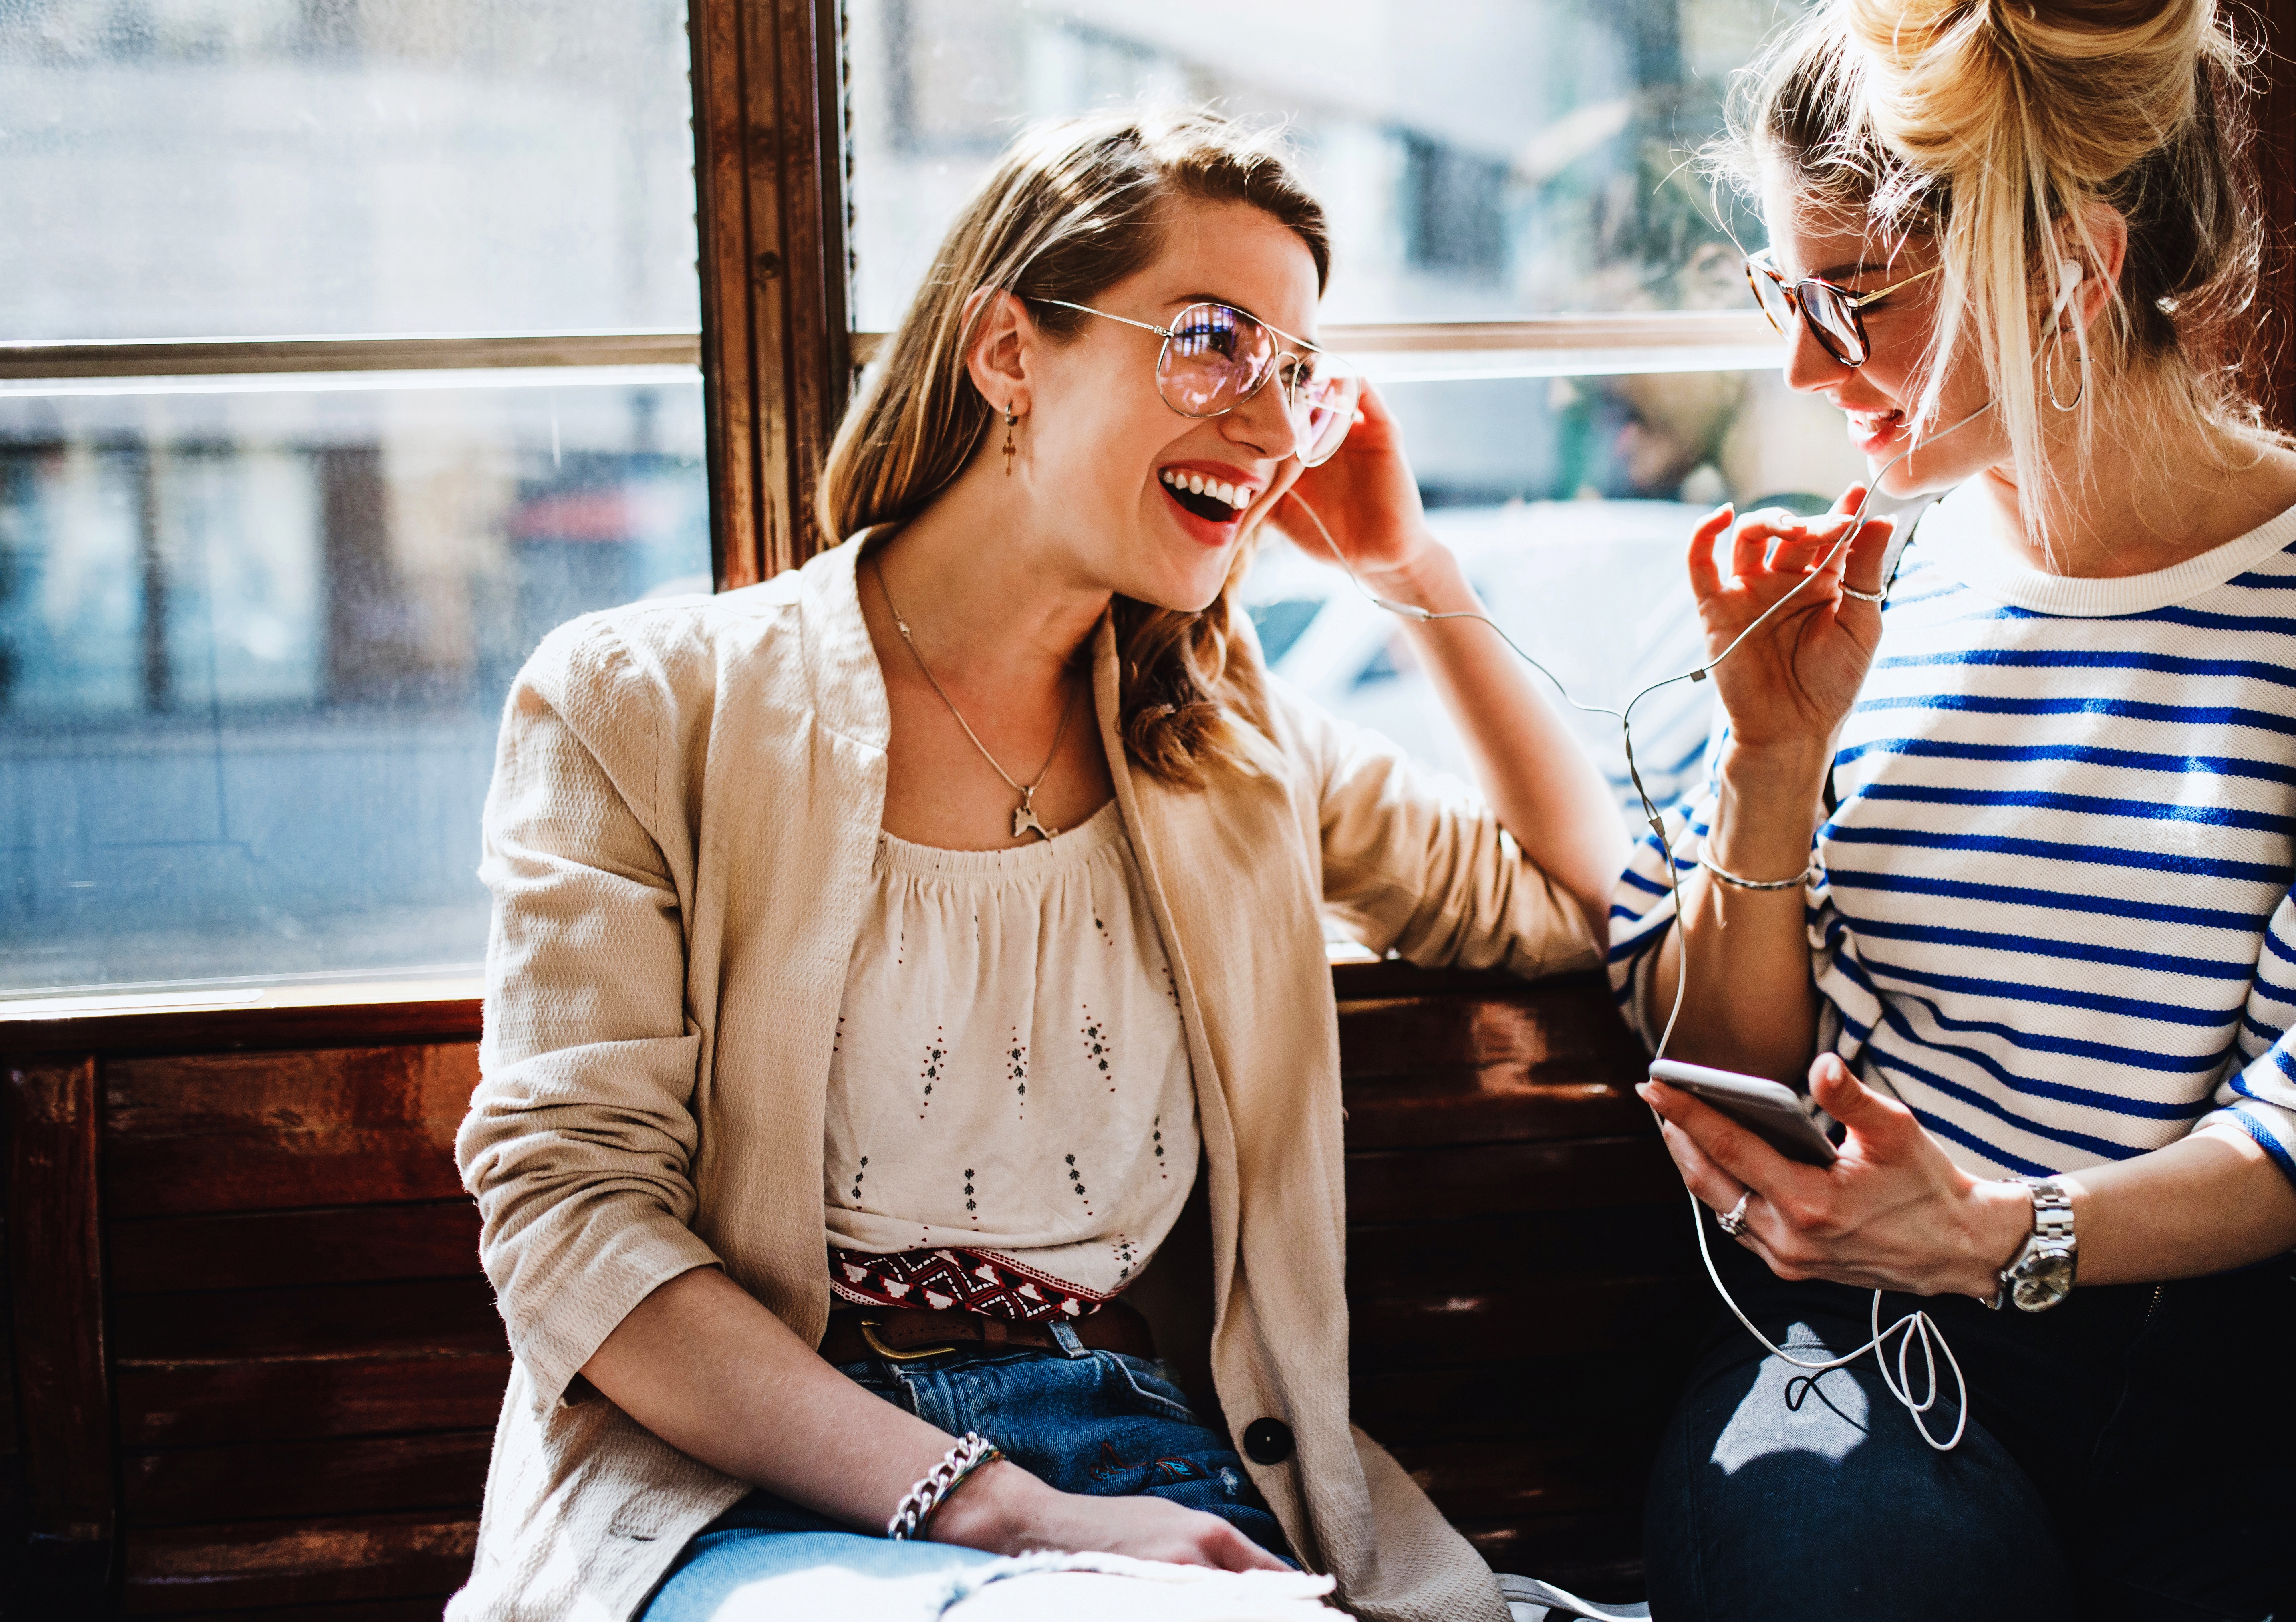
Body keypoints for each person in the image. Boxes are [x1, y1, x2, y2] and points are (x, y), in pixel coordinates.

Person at [449, 108, 1629, 1622]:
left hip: (1146, 1474)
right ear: (1009, 353)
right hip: (744, 1492)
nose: (1271, 433)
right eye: (1213, 342)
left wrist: (1415, 573)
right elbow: (569, 1219)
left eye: (1298, 376)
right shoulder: (642, 701)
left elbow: (1578, 903)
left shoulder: (1225, 746)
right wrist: (998, 1515)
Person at [1606, 0, 2296, 1621]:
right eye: (1784, 295)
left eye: (1859, 304)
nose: (1808, 375)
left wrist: (1998, 1231)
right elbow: (1717, 1074)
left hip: (2246, 1398)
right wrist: (1766, 762)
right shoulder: (1854, 597)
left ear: (2069, 265)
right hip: (1857, 1365)